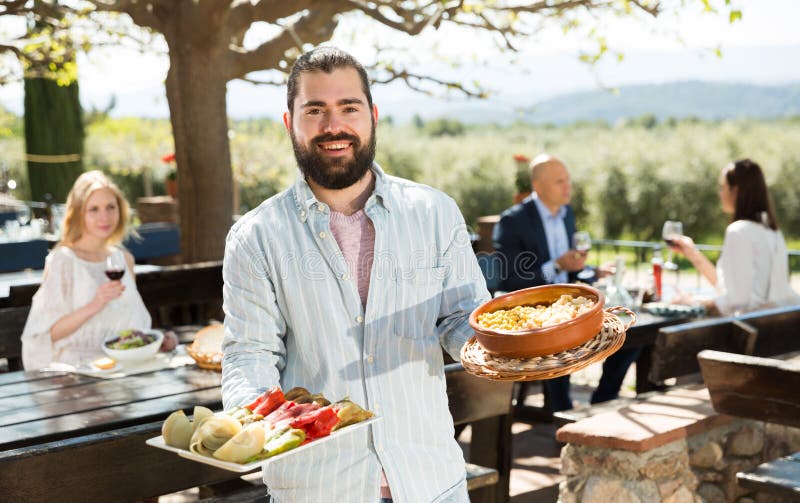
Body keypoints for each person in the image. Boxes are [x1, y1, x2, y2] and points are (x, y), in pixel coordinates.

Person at [221, 47, 489, 503]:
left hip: (430, 480)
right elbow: (249, 353)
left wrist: (510, 349)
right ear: (290, 122)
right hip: (318, 488)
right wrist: (251, 420)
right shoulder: (255, 237)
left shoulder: (435, 213)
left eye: (349, 108)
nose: (333, 126)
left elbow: (464, 318)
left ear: (372, 116)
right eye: (315, 110)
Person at [492, 155, 638, 411]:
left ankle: (603, 401)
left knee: (628, 335)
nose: (568, 187)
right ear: (538, 186)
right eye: (560, 181)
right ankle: (562, 413)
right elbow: (510, 280)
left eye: (568, 180)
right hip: (537, 315)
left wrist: (592, 271)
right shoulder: (513, 221)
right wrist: (558, 265)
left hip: (569, 308)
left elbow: (569, 270)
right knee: (557, 343)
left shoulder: (567, 214)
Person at [21, 171, 152, 370]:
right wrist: (96, 303)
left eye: (110, 207)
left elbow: (131, 322)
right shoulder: (62, 260)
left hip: (121, 368)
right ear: (78, 213)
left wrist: (153, 342)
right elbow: (44, 335)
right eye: (94, 209)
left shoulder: (124, 260)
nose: (105, 217)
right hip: (75, 372)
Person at [670, 159, 799, 315]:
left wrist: (690, 303)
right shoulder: (773, 232)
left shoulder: (738, 231)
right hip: (781, 331)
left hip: (753, 333)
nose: (720, 193)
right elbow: (731, 288)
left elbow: (734, 303)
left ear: (736, 191)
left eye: (723, 187)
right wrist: (692, 253)